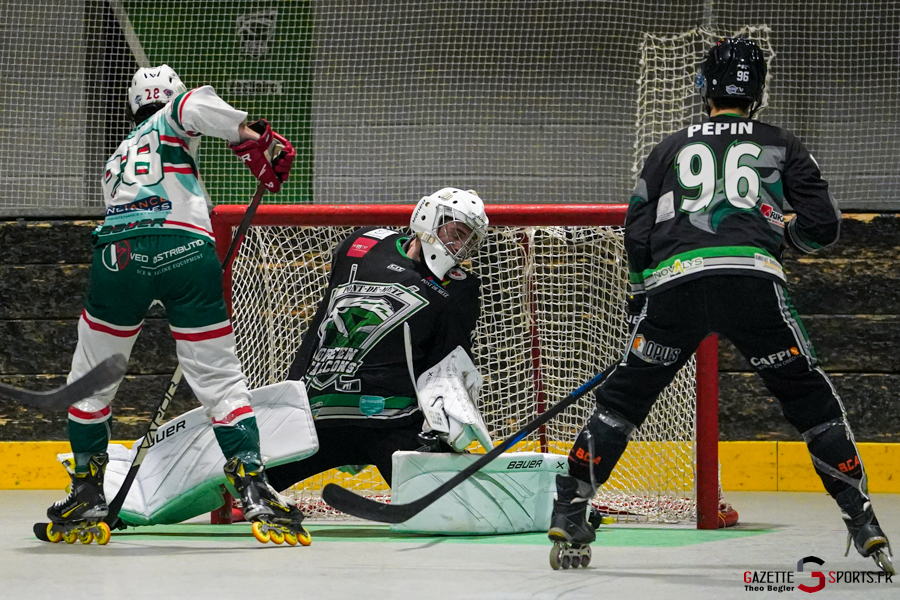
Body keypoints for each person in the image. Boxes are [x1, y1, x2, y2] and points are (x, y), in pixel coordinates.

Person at [547, 38, 894, 574]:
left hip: (675, 287)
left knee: (621, 404)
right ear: (757, 92)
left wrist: (643, 296)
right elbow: (823, 229)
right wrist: (786, 231)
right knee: (810, 403)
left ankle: (570, 509)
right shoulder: (783, 144)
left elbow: (636, 231)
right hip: (752, 284)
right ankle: (861, 518)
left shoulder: (666, 148)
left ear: (705, 88)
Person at [45, 64, 309, 545]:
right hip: (184, 250)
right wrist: (256, 138)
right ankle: (253, 486)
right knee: (218, 376)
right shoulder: (174, 112)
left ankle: (86, 488)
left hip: (117, 255)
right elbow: (196, 107)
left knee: (90, 380)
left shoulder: (117, 156)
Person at [263, 188, 491, 497]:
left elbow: (446, 368)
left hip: (393, 425)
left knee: (440, 505)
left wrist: (439, 429)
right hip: (322, 420)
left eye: (469, 240)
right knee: (247, 490)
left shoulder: (458, 289)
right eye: (457, 232)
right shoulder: (362, 244)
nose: (460, 246)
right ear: (429, 217)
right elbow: (321, 321)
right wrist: (292, 392)